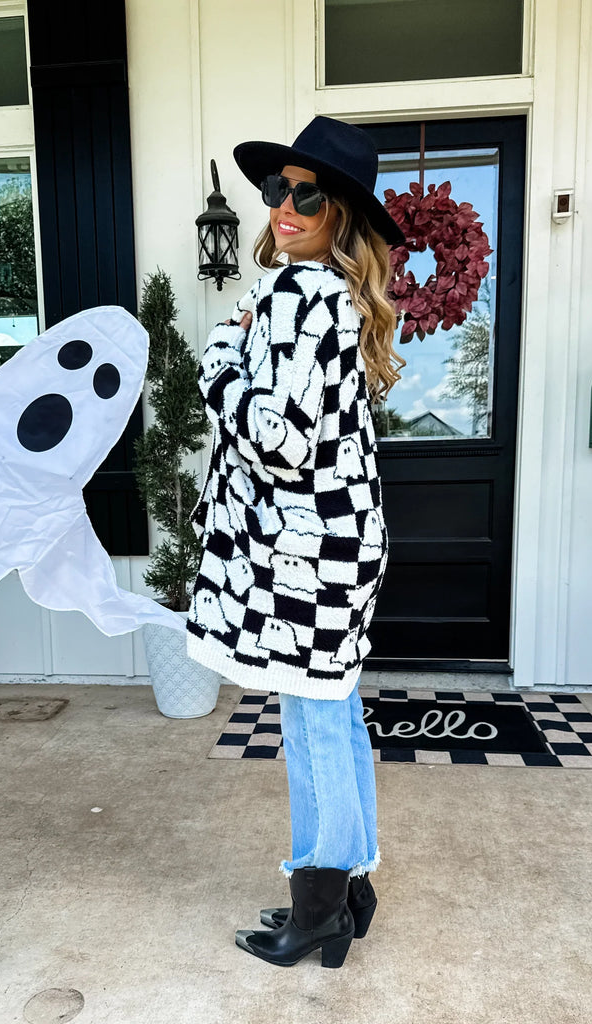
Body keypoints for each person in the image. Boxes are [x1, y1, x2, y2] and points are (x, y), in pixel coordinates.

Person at [185, 115, 406, 968]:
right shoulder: (334, 295)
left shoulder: (297, 294)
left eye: (304, 195)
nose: (282, 205)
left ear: (338, 213)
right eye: (277, 188)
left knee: (314, 729)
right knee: (335, 715)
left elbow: (278, 441)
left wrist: (217, 356)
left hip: (303, 554)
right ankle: (346, 892)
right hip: (339, 542)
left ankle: (317, 910)